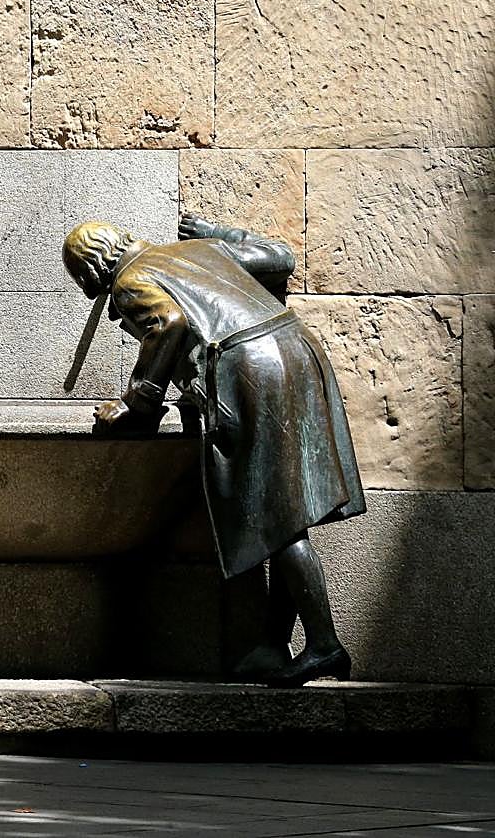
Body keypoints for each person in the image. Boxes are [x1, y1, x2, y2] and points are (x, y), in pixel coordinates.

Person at [62, 213, 365, 687]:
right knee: (289, 512)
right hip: (297, 350)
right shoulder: (195, 253)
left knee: (274, 515)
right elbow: (279, 257)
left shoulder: (130, 279)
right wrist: (218, 234)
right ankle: (274, 644)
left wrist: (138, 403)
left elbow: (170, 322)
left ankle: (325, 644)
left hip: (251, 369)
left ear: (92, 270)